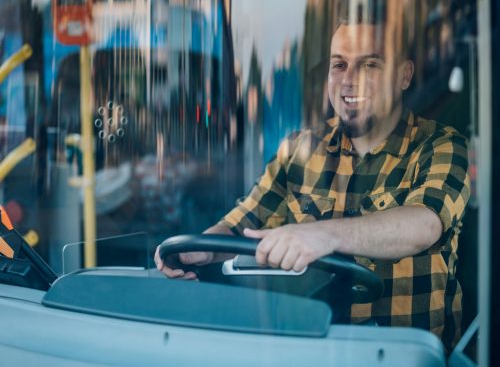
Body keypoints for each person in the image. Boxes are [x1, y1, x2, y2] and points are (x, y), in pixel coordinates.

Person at [155, 18, 470, 352]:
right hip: (312, 352)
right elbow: (241, 225)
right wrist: (202, 248)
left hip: (405, 356)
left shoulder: (440, 145)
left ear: (404, 75)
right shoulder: (299, 151)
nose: (349, 80)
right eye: (339, 65)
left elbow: (424, 223)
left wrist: (324, 235)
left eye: (370, 64)